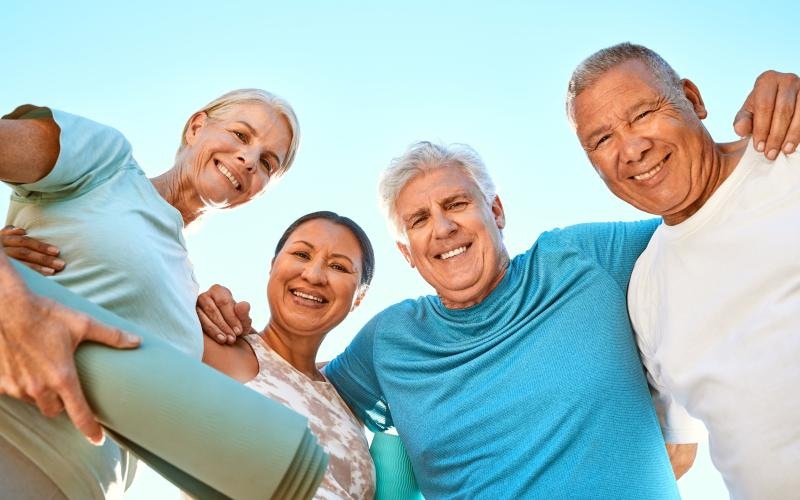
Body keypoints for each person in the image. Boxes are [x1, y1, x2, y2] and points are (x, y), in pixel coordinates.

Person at [198, 74, 799, 498]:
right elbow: (298, 382)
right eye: (419, 220)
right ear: (407, 254)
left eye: (457, 204)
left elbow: (703, 203)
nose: (444, 228)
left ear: (498, 211)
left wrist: (777, 111)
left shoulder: (584, 258)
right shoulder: (391, 342)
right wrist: (218, 319)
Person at [0, 89, 299, 499]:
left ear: (259, 190)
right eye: (241, 135)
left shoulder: (191, 291)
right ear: (197, 127)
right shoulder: (108, 163)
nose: (249, 159)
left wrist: (230, 332)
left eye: (267, 162)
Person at [567, 42, 800, 499]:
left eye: (642, 114)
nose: (631, 149)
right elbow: (681, 445)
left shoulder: (789, 157)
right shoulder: (645, 291)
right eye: (602, 139)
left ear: (692, 99)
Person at [202, 211, 377, 499]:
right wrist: (189, 305)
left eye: (338, 266)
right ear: (273, 265)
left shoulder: (349, 403)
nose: (314, 275)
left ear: (358, 297)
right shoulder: (216, 347)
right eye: (301, 254)